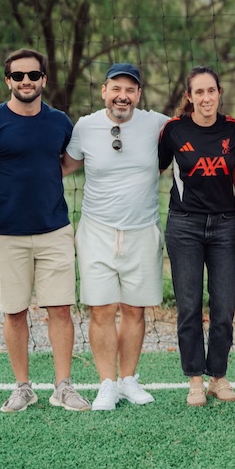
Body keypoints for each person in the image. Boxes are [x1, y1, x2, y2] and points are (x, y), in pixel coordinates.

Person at [0, 48, 90, 413]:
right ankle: (23, 387)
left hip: (55, 231)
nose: (26, 82)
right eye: (18, 76)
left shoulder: (60, 122)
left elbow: (66, 163)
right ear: (8, 81)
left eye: (33, 75)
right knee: (14, 312)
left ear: (44, 80)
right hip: (6, 235)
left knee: (60, 309)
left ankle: (63, 386)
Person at [63, 62, 167, 411]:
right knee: (102, 309)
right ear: (104, 91)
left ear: (138, 94)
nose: (123, 96)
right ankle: (107, 384)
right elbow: (61, 166)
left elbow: (196, 126)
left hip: (142, 229)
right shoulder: (85, 127)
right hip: (97, 231)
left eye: (130, 90)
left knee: (135, 310)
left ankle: (128, 380)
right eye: (116, 89)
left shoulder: (156, 124)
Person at [157, 67, 235, 406]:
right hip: (185, 225)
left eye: (212, 91)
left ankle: (218, 378)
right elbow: (156, 168)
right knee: (189, 305)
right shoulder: (174, 131)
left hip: (224, 225)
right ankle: (195, 380)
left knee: (224, 305)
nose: (206, 98)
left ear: (219, 93)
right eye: (199, 92)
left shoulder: (234, 130)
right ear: (189, 97)